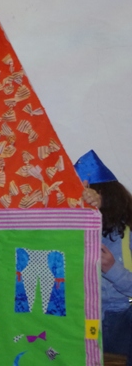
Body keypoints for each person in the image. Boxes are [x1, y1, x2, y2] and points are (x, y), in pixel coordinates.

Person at [75, 150, 132, 364]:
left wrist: (113, 270)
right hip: (83, 319)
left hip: (122, 317)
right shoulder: (73, 232)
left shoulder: (127, 231)